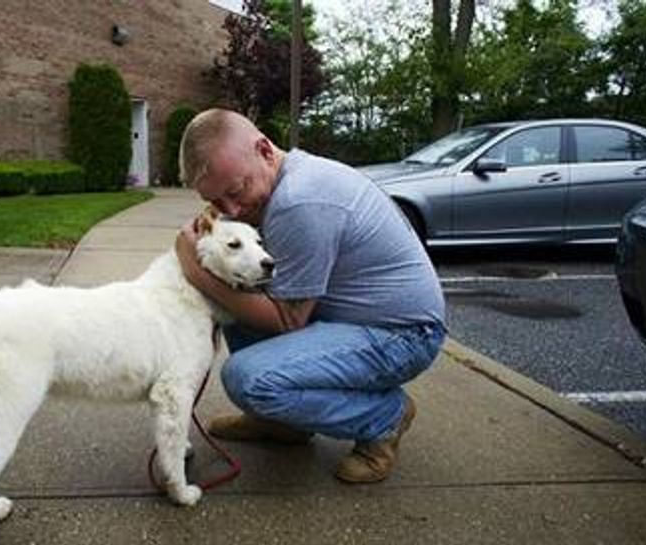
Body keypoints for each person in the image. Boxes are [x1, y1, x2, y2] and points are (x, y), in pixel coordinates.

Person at [174, 109, 446, 483]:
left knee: (248, 379)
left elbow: (287, 320)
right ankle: (284, 423)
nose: (231, 210)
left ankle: (384, 418)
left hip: (403, 336)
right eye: (217, 201)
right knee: (238, 291)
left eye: (236, 191)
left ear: (265, 151)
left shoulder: (298, 201)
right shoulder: (285, 179)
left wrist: (197, 273)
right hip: (357, 321)